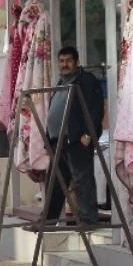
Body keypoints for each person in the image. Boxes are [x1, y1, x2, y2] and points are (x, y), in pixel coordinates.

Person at [41, 46, 104, 228]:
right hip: (58, 140)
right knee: (55, 182)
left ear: (76, 62)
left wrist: (88, 134)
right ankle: (49, 219)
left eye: (68, 61)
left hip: (76, 139)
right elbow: (54, 112)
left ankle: (88, 219)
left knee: (82, 179)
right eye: (61, 61)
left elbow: (96, 109)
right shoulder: (62, 82)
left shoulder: (85, 80)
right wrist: (48, 139)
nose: (64, 64)